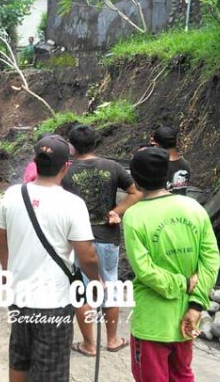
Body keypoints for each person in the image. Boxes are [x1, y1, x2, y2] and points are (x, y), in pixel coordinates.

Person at [0, 134, 100, 382]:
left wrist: (9, 269)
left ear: (36, 161)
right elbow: (88, 256)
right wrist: (96, 281)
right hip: (53, 303)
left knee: (20, 359)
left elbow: (0, 238)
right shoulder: (72, 204)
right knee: (50, 372)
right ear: (66, 167)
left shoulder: (12, 195)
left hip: (19, 298)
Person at [123, 147, 220, 382]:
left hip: (152, 322)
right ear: (167, 175)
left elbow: (144, 270)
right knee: (182, 375)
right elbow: (211, 260)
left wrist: (182, 283)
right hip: (186, 318)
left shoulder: (134, 217)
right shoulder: (194, 208)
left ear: (135, 179)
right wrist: (196, 305)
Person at [64, 124, 142, 356]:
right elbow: (135, 192)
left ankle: (89, 344)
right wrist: (116, 211)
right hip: (108, 237)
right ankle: (112, 339)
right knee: (110, 284)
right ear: (95, 143)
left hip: (79, 240)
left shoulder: (66, 173)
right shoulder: (112, 166)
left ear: (71, 146)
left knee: (82, 290)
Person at [151, 126, 191, 196]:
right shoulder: (185, 165)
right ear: (177, 142)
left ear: (157, 145)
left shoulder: (157, 167)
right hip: (180, 205)